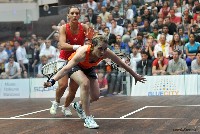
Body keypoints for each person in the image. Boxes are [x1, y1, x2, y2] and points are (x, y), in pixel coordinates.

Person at [44, 35, 146, 129]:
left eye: (105, 48)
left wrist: (135, 75)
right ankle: (88, 119)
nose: (102, 52)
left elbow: (122, 64)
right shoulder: (82, 52)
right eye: (100, 48)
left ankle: (78, 105)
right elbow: (66, 69)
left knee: (96, 96)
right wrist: (52, 81)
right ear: (93, 46)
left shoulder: (106, 52)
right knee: (85, 83)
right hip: (75, 66)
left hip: (89, 68)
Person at [49, 6, 89, 117]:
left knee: (73, 90)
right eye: (72, 13)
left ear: (79, 15)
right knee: (62, 85)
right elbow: (62, 45)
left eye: (77, 13)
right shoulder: (63, 28)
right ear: (68, 15)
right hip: (63, 60)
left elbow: (92, 39)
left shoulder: (85, 27)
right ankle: (56, 102)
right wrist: (79, 47)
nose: (75, 15)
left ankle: (66, 107)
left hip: (77, 61)